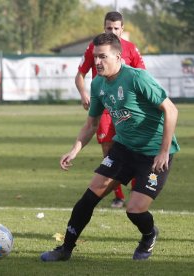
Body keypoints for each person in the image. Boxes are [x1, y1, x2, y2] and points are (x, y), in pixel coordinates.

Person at [41, 33, 179, 262]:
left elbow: (171, 110)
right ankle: (65, 249)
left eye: (103, 57)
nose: (97, 62)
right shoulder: (97, 83)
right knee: (88, 197)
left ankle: (148, 235)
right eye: (95, 56)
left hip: (153, 153)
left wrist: (164, 151)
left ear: (117, 56)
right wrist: (74, 150)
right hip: (123, 149)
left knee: (134, 210)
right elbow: (92, 123)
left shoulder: (137, 78)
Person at [75, 11, 145, 208]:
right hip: (105, 106)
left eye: (116, 28)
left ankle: (136, 191)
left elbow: (142, 76)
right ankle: (118, 195)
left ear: (122, 29)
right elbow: (79, 75)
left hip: (127, 109)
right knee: (108, 149)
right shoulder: (94, 48)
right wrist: (83, 94)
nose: (112, 31)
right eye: (108, 28)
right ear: (104, 27)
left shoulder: (131, 49)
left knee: (132, 148)